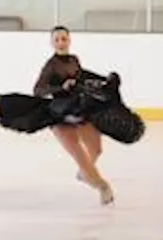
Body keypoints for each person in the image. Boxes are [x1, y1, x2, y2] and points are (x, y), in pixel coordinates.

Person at [31, 26, 114, 205]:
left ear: (69, 40)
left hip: (78, 109)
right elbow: (38, 90)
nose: (61, 42)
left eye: (64, 39)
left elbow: (81, 75)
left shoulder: (74, 59)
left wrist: (104, 79)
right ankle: (102, 187)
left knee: (96, 148)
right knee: (80, 156)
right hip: (59, 114)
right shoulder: (51, 65)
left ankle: (85, 174)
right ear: (52, 43)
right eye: (57, 40)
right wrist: (61, 87)